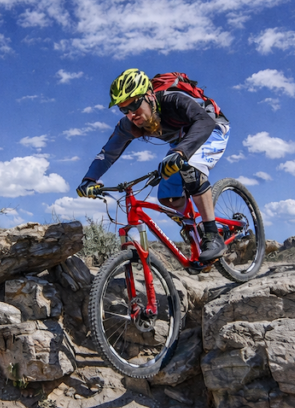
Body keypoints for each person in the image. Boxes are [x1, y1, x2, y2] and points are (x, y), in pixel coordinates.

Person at [77, 68, 230, 262]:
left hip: (210, 127)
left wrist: (180, 153)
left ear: (149, 96)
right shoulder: (128, 125)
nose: (131, 114)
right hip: (181, 143)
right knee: (168, 198)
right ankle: (194, 226)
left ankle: (212, 235)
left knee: (191, 169)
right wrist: (88, 180)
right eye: (124, 109)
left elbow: (204, 122)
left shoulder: (172, 100)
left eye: (134, 105)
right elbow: (108, 154)